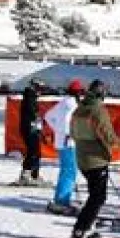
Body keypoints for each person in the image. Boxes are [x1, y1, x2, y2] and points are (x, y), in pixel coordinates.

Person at [70, 80, 120, 238]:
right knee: (97, 197)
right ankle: (81, 230)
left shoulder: (80, 108)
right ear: (102, 94)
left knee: (95, 196)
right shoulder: (98, 110)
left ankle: (84, 228)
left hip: (82, 157)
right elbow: (109, 137)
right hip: (96, 159)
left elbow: (73, 133)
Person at [45, 79, 85, 214]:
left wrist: (58, 130)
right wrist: (68, 132)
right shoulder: (73, 105)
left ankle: (62, 198)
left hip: (62, 141)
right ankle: (61, 201)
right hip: (70, 142)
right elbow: (70, 122)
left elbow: (48, 116)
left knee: (66, 171)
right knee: (69, 172)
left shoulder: (62, 103)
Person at [16, 78, 47, 186]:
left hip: (32, 128)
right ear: (34, 87)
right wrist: (38, 120)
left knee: (35, 151)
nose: (41, 92)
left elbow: (35, 115)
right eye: (39, 88)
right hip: (29, 128)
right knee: (33, 151)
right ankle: (27, 174)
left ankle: (33, 174)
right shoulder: (29, 96)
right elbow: (32, 113)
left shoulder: (32, 97)